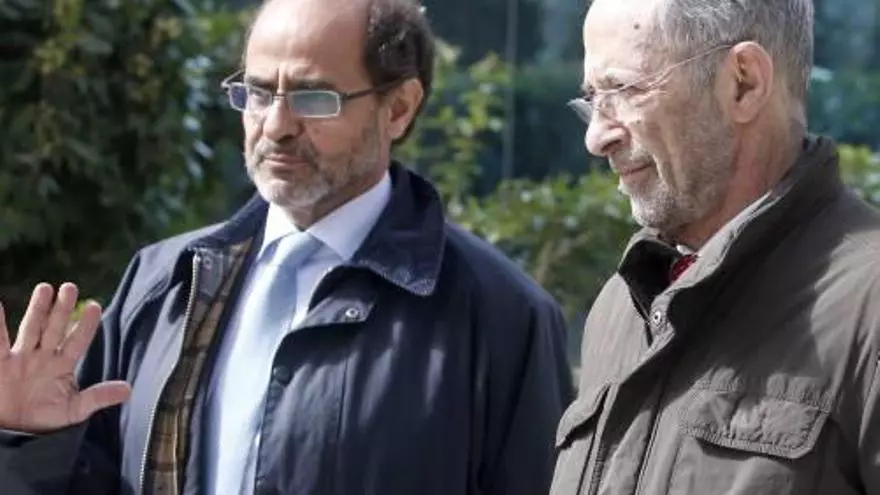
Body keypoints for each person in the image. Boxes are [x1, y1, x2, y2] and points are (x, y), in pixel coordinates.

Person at [0, 0, 574, 493]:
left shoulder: (500, 316)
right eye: (257, 92)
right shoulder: (165, 282)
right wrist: (31, 443)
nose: (275, 126)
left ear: (398, 108)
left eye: (313, 97)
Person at [552, 0, 880, 494]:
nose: (596, 138)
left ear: (743, 83)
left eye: (624, 90)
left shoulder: (867, 307)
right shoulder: (621, 306)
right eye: (592, 98)